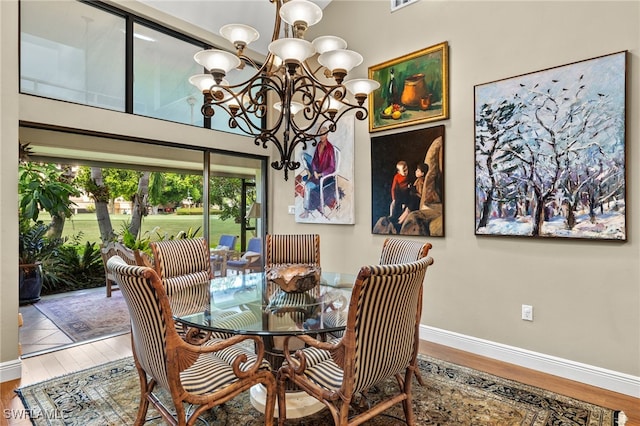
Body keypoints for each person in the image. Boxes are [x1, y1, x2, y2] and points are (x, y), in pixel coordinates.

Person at [300, 127, 336, 218]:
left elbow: (332, 168)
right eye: (320, 134)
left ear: (327, 135)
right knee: (303, 155)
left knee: (308, 186)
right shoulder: (319, 145)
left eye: (323, 134)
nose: (321, 136)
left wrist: (320, 174)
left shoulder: (330, 148)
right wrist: (314, 170)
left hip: (324, 176)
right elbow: (315, 160)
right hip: (317, 171)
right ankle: (309, 172)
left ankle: (306, 211)